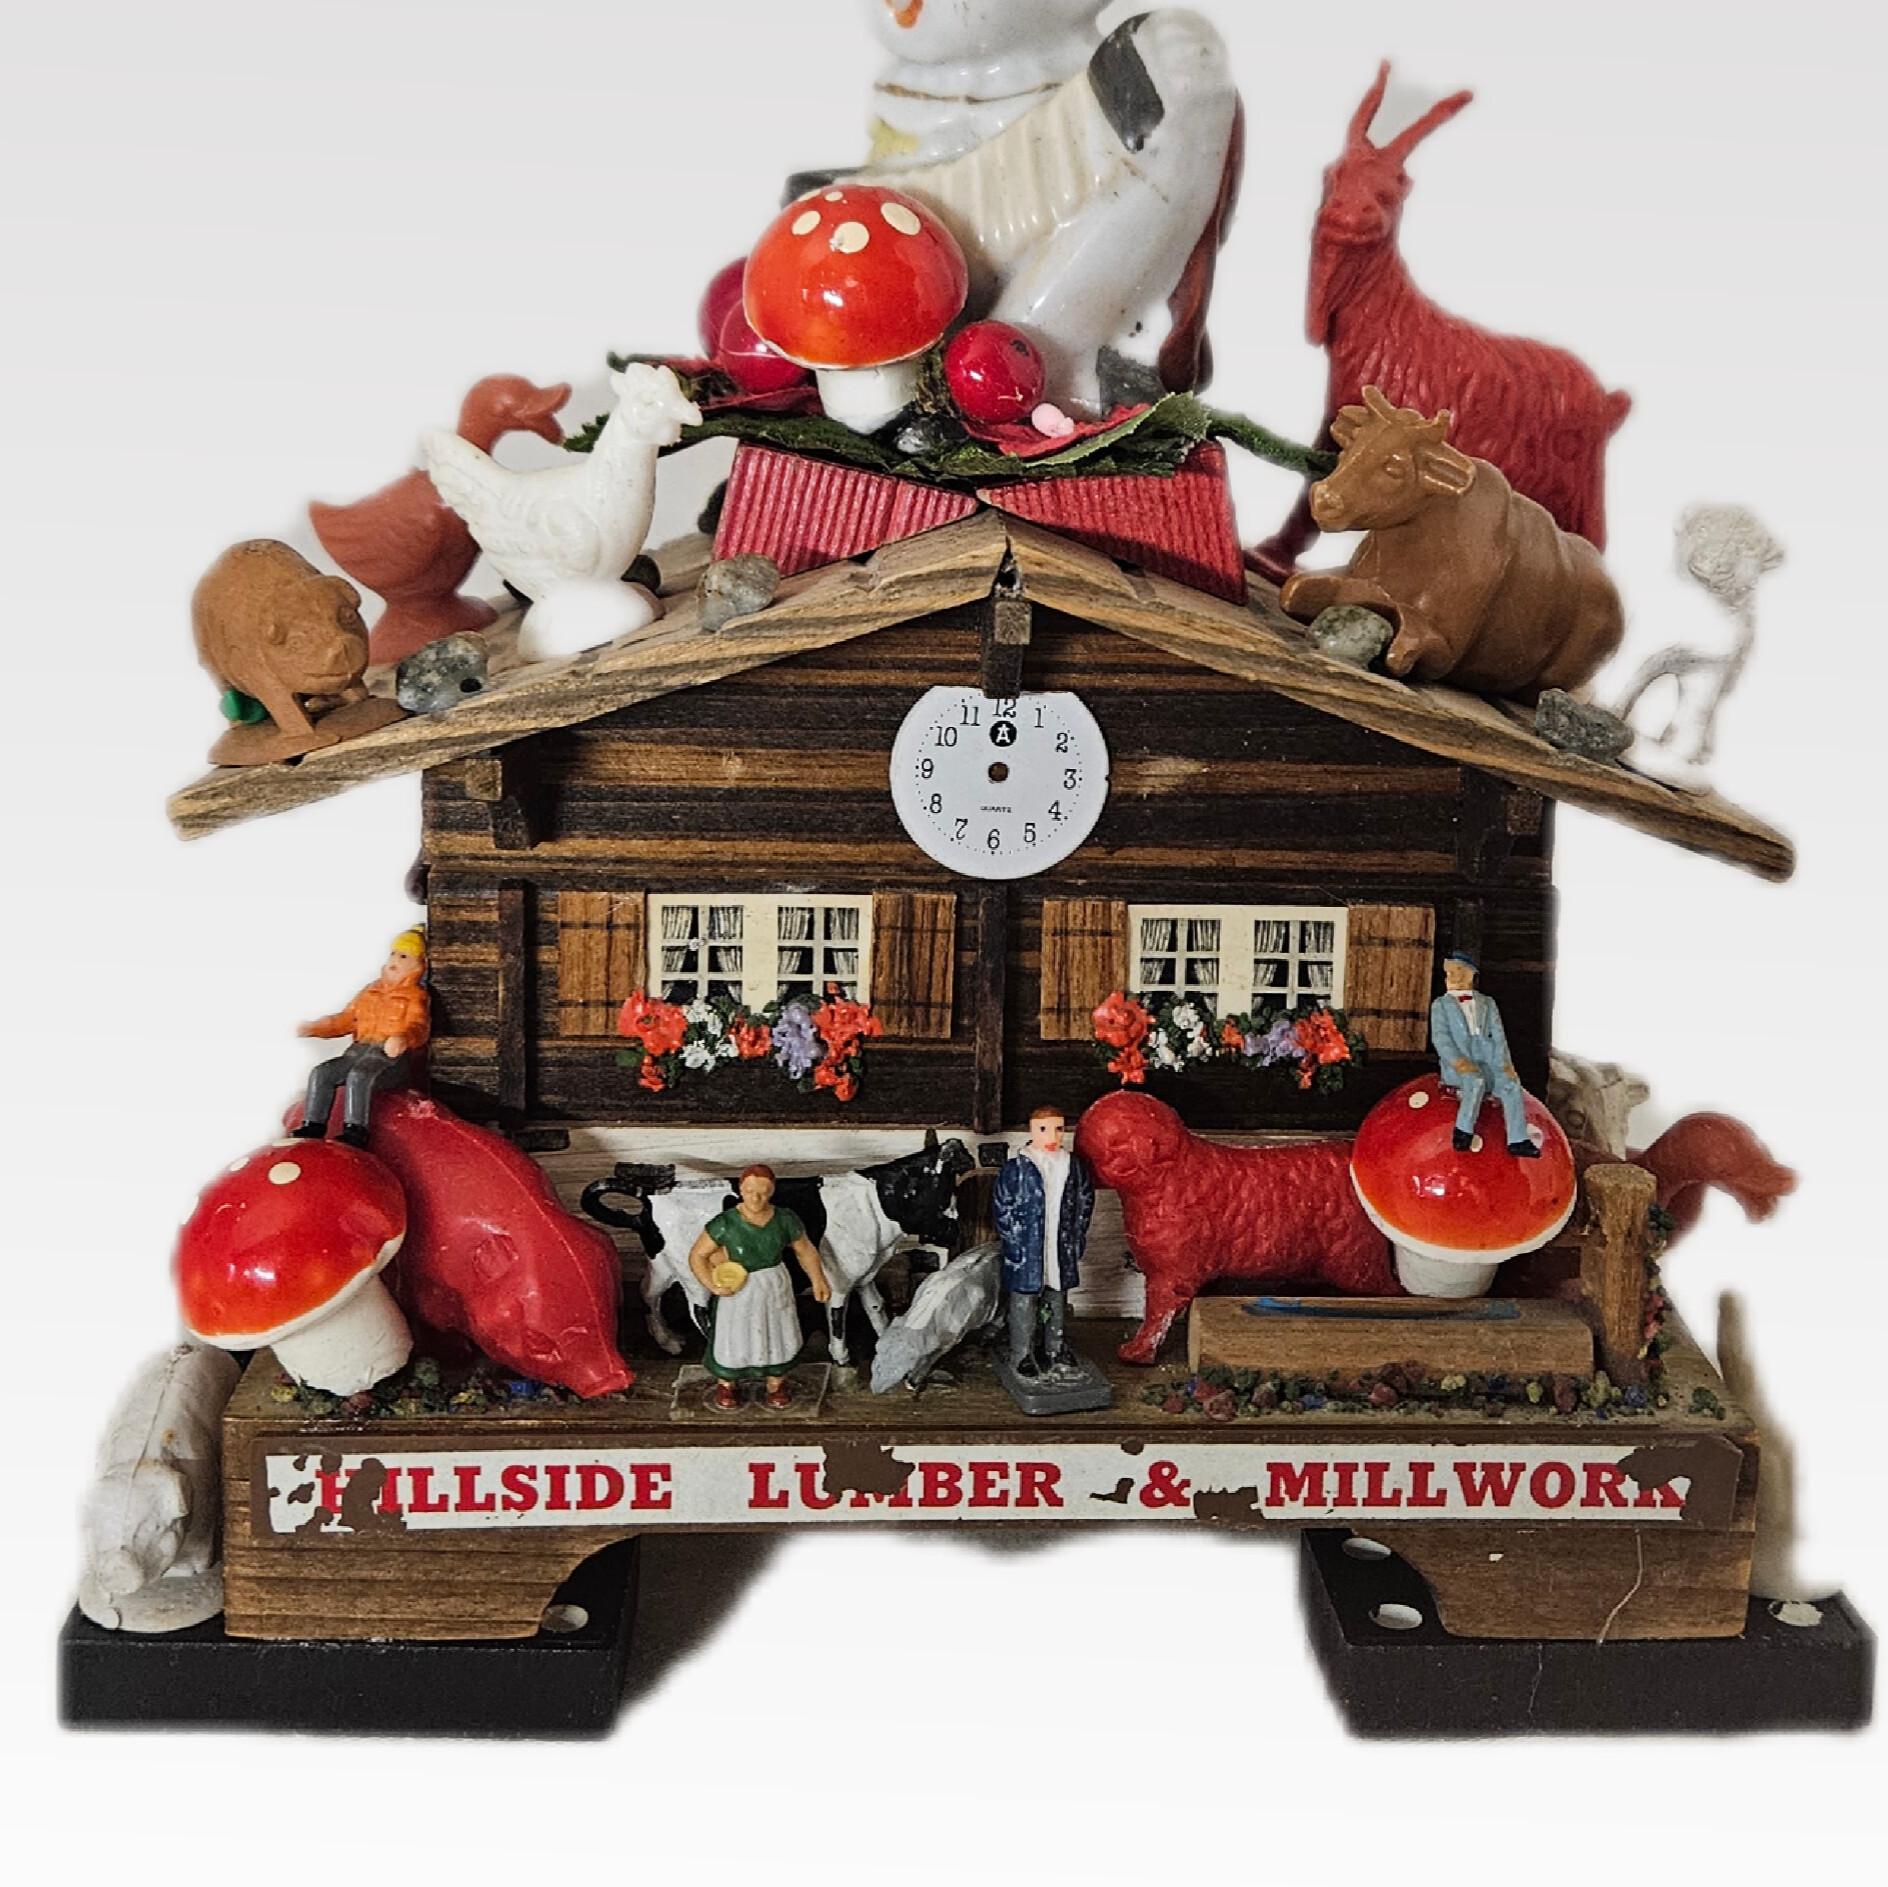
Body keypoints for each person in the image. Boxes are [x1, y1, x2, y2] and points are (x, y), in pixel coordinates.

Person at [687, 1166, 832, 1411]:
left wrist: (818, 1279)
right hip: (740, 1287)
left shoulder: (784, 1219)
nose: (756, 1198)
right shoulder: (725, 1223)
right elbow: (697, 1256)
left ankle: (776, 1382)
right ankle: (727, 1382)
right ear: (741, 1190)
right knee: (736, 1333)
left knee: (777, 1331)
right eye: (750, 1191)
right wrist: (712, 1284)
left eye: (763, 1192)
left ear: (771, 1192)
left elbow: (805, 1250)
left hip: (773, 1284)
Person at [293, 929, 431, 1149]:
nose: (394, 961)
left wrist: (403, 1038)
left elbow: (420, 1027)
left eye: (403, 956)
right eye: (393, 954)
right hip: (357, 1052)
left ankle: (355, 1131)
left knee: (360, 1075)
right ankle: (313, 1125)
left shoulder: (416, 996)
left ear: (419, 964)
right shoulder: (370, 991)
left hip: (388, 1058)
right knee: (322, 1072)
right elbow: (346, 1020)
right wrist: (314, 1028)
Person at [994, 1105, 1097, 1377]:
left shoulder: (1072, 1165)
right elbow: (1003, 1207)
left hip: (1059, 1245)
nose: (1052, 1136)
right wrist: (1013, 1242)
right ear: (1031, 1131)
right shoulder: (1016, 1168)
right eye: (1043, 1129)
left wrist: (1076, 1236)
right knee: (1024, 1299)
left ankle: (1055, 1347)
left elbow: (1085, 1200)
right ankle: (1022, 1353)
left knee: (1057, 1295)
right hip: (1027, 1248)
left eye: (1058, 1129)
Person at [1429, 952, 1539, 1158]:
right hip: (1460, 1065)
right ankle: (1463, 1130)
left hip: (1489, 1062)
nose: (1452, 977)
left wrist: (1505, 1065)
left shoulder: (1487, 1003)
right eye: (1449, 972)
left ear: (1471, 974)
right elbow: (1441, 1038)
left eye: (1458, 971)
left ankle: (1517, 1139)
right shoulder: (1441, 1005)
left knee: (1511, 1085)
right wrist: (1459, 1062)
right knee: (1475, 1081)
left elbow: (1499, 1037)